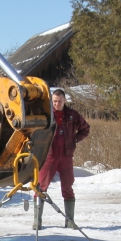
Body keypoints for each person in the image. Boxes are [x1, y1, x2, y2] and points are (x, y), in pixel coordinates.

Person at [34, 88, 90, 230]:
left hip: (66, 155)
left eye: (59, 101)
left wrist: (74, 139)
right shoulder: (46, 115)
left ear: (65, 101)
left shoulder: (72, 115)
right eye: (54, 101)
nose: (57, 104)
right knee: (41, 187)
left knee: (67, 187)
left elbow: (85, 129)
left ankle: (70, 221)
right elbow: (34, 131)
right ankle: (37, 221)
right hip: (49, 155)